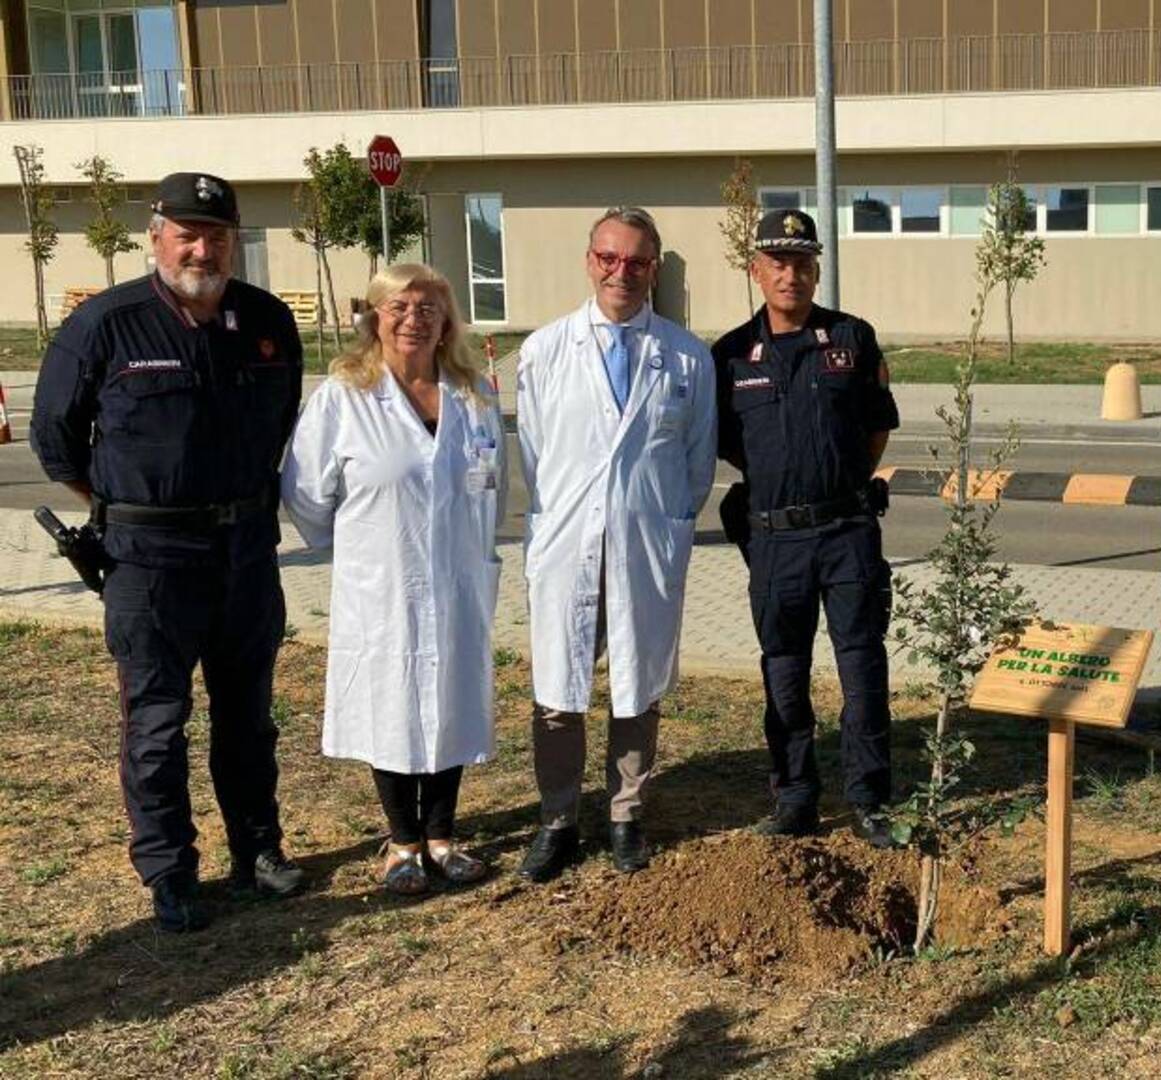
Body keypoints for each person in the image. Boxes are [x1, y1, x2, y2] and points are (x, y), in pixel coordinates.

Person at [29, 172, 305, 932]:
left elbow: (282, 422)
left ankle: (258, 851)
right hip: (150, 558)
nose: (201, 247)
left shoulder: (268, 319)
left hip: (247, 550)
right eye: (186, 232)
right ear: (156, 236)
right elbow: (55, 441)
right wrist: (130, 507)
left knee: (248, 716)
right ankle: (170, 871)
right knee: (156, 721)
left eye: (215, 235)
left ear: (234, 241)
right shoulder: (107, 325)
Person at [281, 263, 506, 896]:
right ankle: (402, 841)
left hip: (458, 577)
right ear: (375, 316)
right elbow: (303, 493)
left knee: (452, 698)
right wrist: (358, 550)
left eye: (429, 307)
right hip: (382, 584)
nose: (414, 319)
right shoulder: (344, 396)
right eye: (400, 307)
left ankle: (443, 836)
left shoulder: (474, 395)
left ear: (447, 321)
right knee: (392, 705)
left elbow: (493, 485)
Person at [514, 207, 717, 881]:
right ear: (588, 261)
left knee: (637, 686)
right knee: (557, 687)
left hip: (644, 544)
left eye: (635, 262)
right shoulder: (545, 350)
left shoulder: (687, 356)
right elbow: (535, 459)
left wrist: (661, 523)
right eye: (608, 258)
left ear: (654, 269)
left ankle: (626, 813)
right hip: (568, 545)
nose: (620, 272)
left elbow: (696, 464)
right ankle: (558, 819)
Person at [711, 209, 901, 848]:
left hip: (848, 531)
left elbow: (876, 427)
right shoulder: (732, 354)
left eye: (801, 261)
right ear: (756, 271)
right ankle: (794, 796)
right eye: (777, 262)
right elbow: (729, 443)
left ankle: (870, 798)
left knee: (863, 670)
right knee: (784, 673)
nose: (790, 274)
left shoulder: (852, 338)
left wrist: (835, 482)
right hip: (774, 540)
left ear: (817, 268)